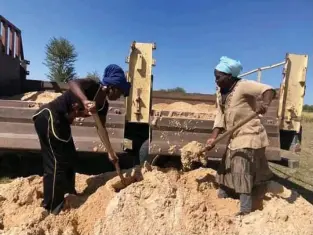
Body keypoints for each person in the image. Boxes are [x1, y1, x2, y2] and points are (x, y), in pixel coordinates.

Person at [32, 64, 131, 215]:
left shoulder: (103, 106)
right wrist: (85, 100)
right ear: (112, 86)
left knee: (70, 157)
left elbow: (101, 129)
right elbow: (72, 83)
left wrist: (111, 152)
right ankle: (52, 206)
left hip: (62, 123)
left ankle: (68, 194)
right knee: (56, 163)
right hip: (50, 116)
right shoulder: (92, 85)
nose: (119, 96)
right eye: (120, 92)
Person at [207, 56, 275, 216]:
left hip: (249, 133)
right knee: (225, 166)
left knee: (240, 166)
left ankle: (245, 209)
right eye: (215, 76)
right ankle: (223, 197)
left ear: (229, 76)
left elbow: (268, 89)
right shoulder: (220, 92)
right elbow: (220, 116)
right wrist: (213, 137)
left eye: (218, 77)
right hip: (235, 136)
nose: (216, 80)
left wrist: (265, 104)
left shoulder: (243, 86)